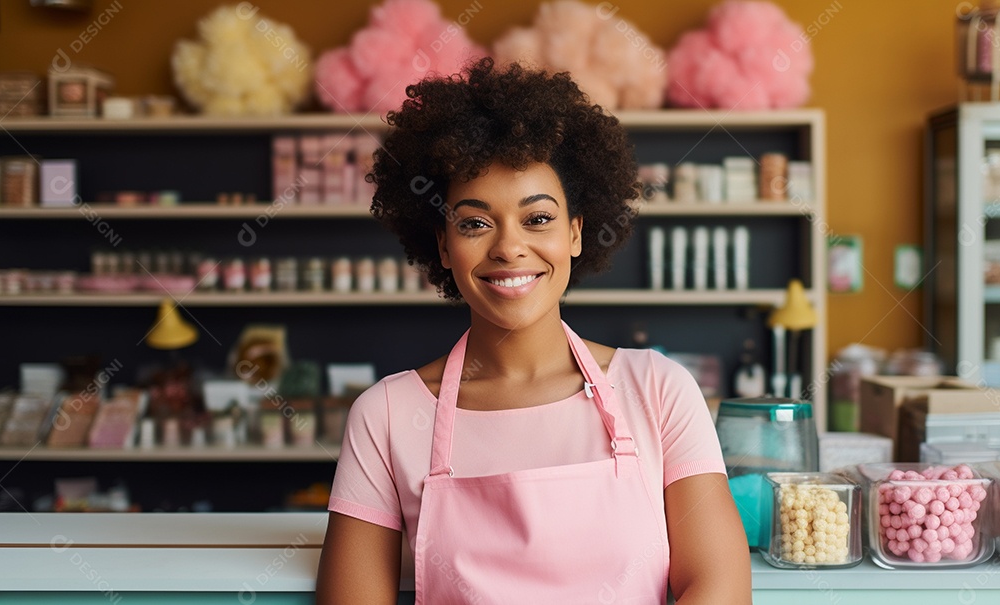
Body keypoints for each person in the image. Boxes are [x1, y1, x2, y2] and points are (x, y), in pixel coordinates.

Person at [316, 57, 751, 604]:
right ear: (443, 247)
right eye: (474, 223)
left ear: (574, 232)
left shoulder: (659, 390)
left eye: (537, 219)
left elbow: (719, 585)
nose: (508, 247)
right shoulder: (384, 415)